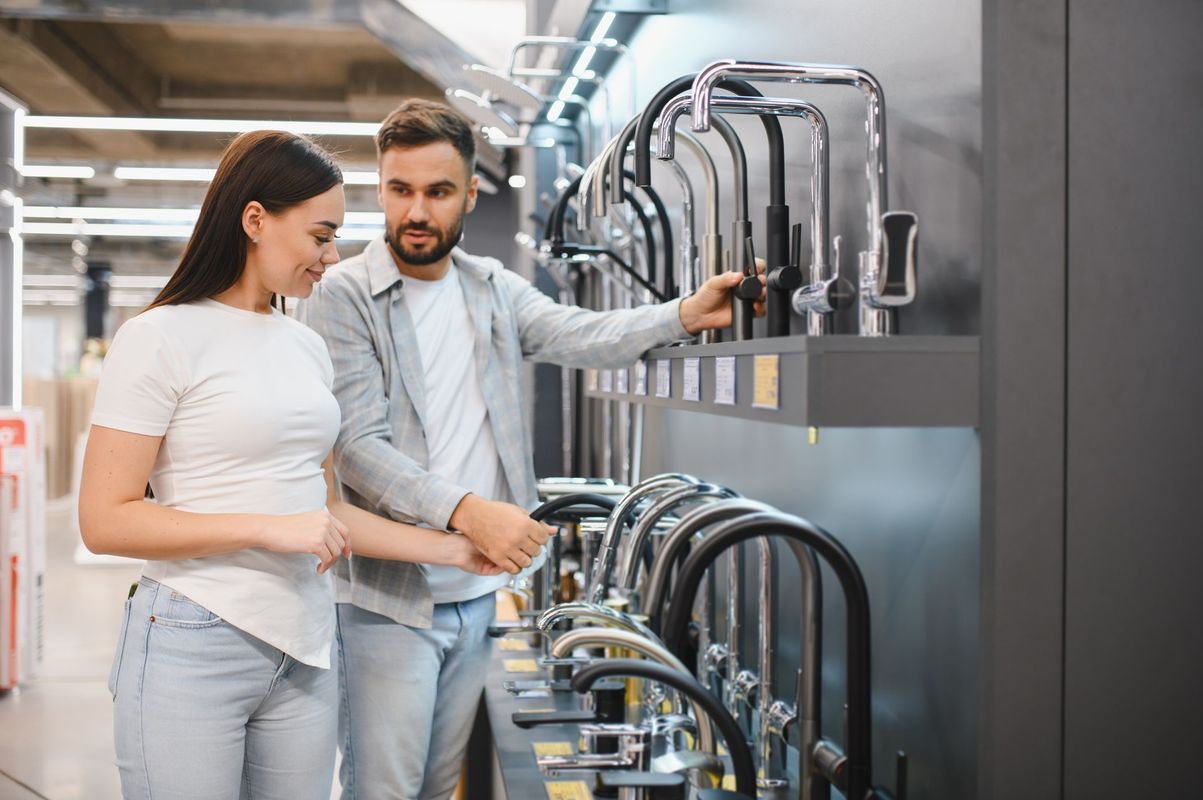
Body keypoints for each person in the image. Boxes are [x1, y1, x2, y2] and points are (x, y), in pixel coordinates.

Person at [297, 98, 764, 800]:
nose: (416, 212)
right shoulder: (343, 294)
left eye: (437, 191)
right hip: (386, 603)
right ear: (381, 189)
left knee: (433, 787)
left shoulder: (489, 288)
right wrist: (468, 513)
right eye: (399, 191)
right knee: (381, 792)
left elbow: (577, 331)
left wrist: (684, 313)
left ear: (469, 195)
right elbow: (358, 447)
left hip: (476, 596)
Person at [79, 129, 500, 800]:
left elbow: (323, 514)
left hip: (305, 644)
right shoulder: (159, 337)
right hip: (195, 636)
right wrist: (268, 528)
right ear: (254, 221)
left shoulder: (304, 346)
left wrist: (452, 551)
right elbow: (105, 521)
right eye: (319, 235)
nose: (331, 257)